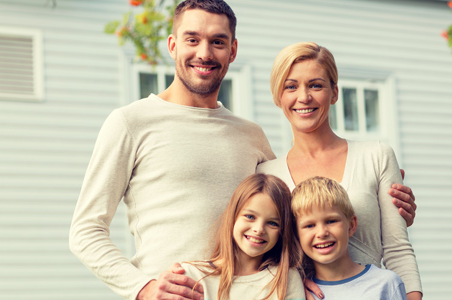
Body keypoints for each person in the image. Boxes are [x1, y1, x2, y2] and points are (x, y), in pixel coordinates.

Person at [69, 1, 417, 300]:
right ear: (173, 45)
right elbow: (85, 231)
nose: (204, 53)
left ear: (232, 50)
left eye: (217, 42)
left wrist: (377, 206)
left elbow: (292, 207)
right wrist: (142, 287)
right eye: (193, 39)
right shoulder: (131, 123)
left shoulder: (249, 135)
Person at [257, 42, 423, 300]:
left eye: (315, 85)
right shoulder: (268, 175)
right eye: (291, 86)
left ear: (334, 93)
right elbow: (261, 255)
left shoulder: (376, 156)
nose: (304, 97)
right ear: (278, 97)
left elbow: (397, 248)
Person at [182, 173, 304, 300]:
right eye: (250, 216)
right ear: (233, 216)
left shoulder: (286, 278)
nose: (259, 229)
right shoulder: (192, 276)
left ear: (283, 232)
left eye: (272, 223)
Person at [292, 176, 407, 300]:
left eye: (331, 221)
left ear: (351, 226)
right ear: (296, 234)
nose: (322, 233)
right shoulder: (296, 293)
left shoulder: (387, 284)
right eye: (309, 225)